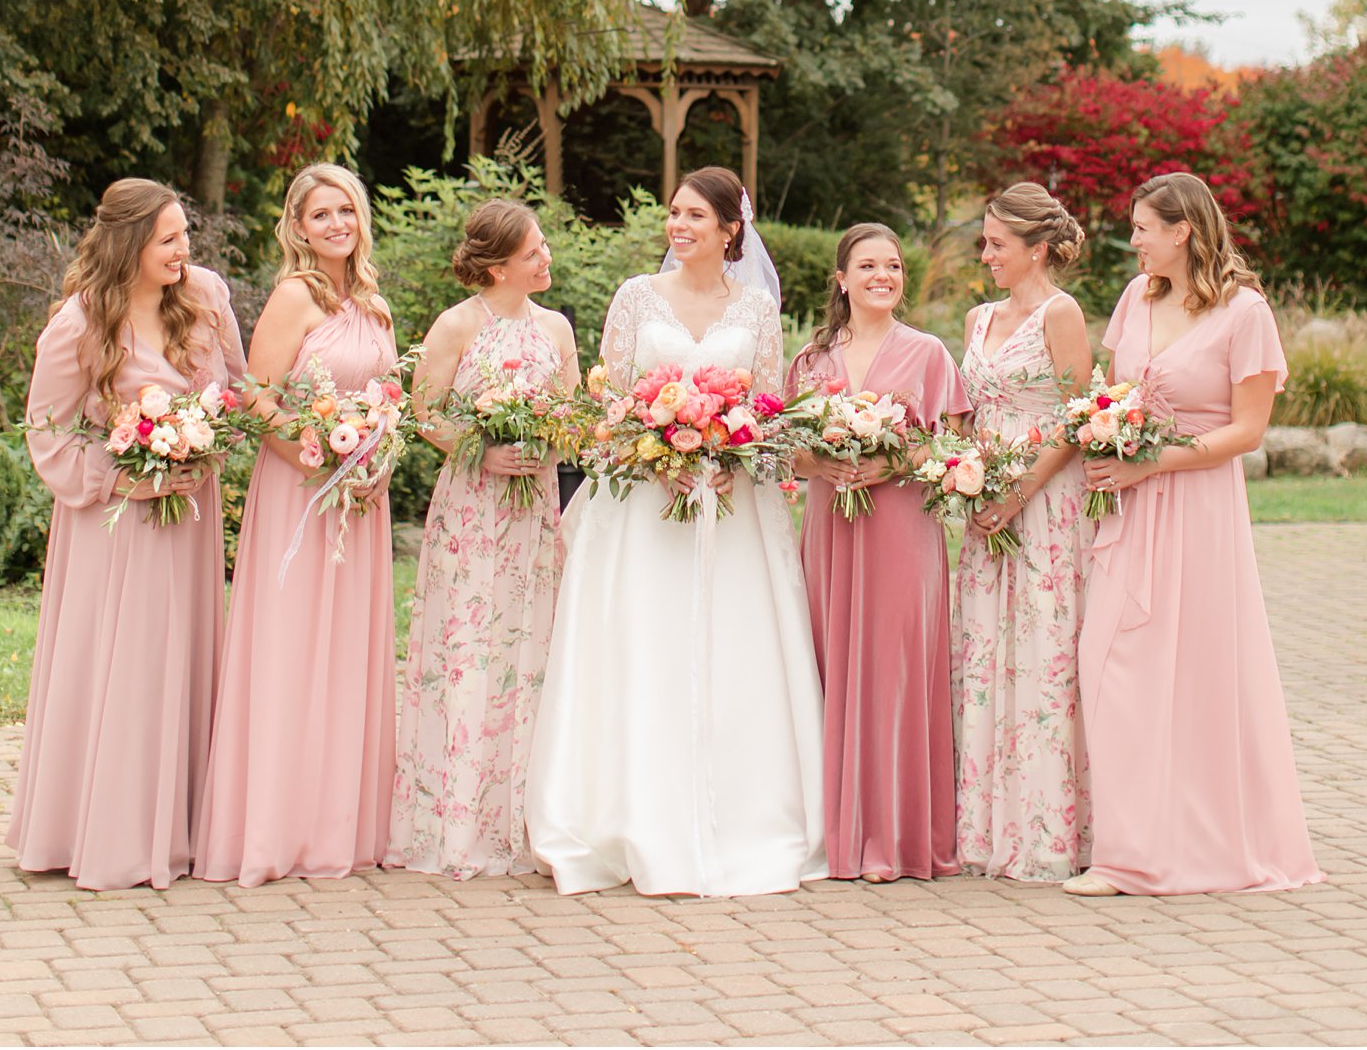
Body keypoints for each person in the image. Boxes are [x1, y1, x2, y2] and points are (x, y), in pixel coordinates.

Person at [526, 166, 827, 896]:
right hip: (644, 506)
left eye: (695, 215)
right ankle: (629, 811)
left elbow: (764, 403)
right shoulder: (636, 297)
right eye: (674, 213)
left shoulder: (756, 309)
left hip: (731, 505)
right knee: (643, 645)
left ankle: (743, 813)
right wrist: (653, 451)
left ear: (731, 230)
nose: (679, 225)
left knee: (734, 649)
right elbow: (615, 400)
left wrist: (729, 456)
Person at [1067, 171, 1323, 897]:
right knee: (1109, 661)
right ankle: (1126, 844)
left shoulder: (1246, 312)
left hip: (1200, 506)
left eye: (1144, 227)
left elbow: (1247, 430)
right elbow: (1112, 393)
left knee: (1198, 671)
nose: (1134, 239)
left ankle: (1175, 849)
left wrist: (1155, 462)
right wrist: (1105, 435)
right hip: (1130, 508)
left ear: (1182, 230)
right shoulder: (1136, 298)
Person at [9, 181, 245, 890]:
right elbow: (47, 429)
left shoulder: (206, 296)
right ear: (128, 245)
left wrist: (203, 447)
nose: (184, 250)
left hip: (187, 521)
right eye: (168, 239)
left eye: (185, 235)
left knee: (180, 658)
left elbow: (233, 389)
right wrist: (125, 477)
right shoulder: (79, 322)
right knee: (123, 663)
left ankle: (181, 825)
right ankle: (100, 828)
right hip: (112, 526)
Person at [193, 165, 398, 887]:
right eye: (321, 214)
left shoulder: (371, 301)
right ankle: (278, 826)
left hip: (361, 501)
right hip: (301, 496)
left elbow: (388, 398)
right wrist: (318, 458)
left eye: (346, 208)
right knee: (291, 647)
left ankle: (340, 824)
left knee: (347, 652)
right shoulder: (293, 297)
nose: (337, 223)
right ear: (298, 227)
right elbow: (255, 395)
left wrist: (375, 460)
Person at [386, 198, 577, 879]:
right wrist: (483, 448)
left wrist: (547, 437)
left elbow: (574, 415)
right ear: (497, 266)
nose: (546, 257)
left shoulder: (556, 327)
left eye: (543, 246)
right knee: (467, 650)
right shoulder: (456, 324)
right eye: (534, 252)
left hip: (532, 517)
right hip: (472, 512)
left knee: (529, 650)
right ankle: (455, 819)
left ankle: (525, 816)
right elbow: (424, 412)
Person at [787, 222, 971, 882]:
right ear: (841, 278)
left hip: (900, 526)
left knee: (895, 666)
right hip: (830, 523)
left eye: (892, 265)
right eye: (867, 265)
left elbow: (947, 448)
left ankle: (894, 836)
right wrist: (830, 462)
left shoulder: (927, 353)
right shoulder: (812, 359)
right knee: (831, 658)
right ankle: (841, 829)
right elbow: (790, 446)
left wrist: (887, 459)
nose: (882, 276)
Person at [953, 183, 1094, 882]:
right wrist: (959, 471)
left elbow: (1078, 416)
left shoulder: (1060, 313)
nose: (987, 254)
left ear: (1036, 247)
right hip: (986, 502)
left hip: (1043, 502)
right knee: (984, 653)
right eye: (985, 242)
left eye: (997, 244)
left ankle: (1045, 830)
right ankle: (984, 826)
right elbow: (965, 410)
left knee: (1041, 652)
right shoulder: (979, 318)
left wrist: (1021, 490)